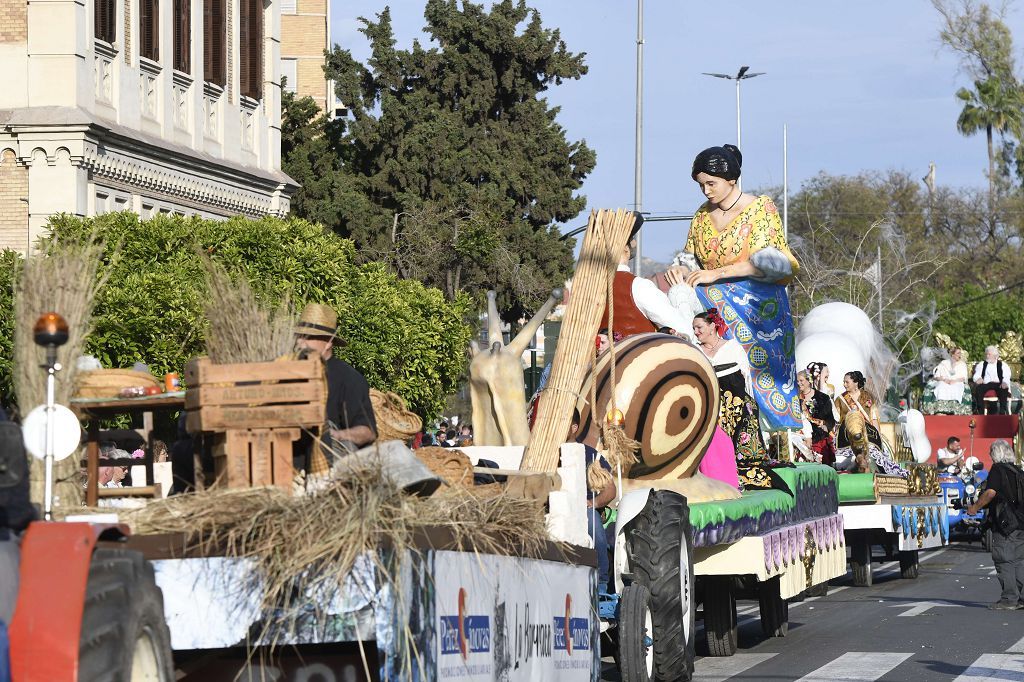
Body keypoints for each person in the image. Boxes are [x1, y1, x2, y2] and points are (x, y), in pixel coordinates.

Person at [670, 144, 801, 430]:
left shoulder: (759, 209)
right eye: (701, 185)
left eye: (711, 183)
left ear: (731, 179)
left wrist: (717, 274)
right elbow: (690, 257)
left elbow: (770, 262)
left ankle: (775, 434)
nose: (706, 191)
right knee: (678, 294)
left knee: (762, 376)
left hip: (756, 304)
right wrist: (682, 268)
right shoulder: (702, 216)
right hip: (712, 297)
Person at [692, 308, 771, 489]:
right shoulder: (696, 350)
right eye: (694, 328)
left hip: (734, 403)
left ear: (712, 326)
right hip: (709, 404)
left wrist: (747, 404)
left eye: (699, 327)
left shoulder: (732, 347)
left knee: (736, 440)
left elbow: (746, 378)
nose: (696, 332)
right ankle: (715, 478)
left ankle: (739, 477)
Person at [294, 304, 376, 467]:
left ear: (329, 341)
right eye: (299, 336)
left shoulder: (349, 379)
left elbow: (368, 431)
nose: (301, 342)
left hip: (327, 467)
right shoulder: (286, 371)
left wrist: (335, 435)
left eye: (308, 336)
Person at [965, 439, 1024, 609]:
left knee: (1004, 559)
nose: (990, 456)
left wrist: (975, 507)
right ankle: (1021, 598)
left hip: (1005, 524)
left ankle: (1009, 599)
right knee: (1020, 561)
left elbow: (990, 493)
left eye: (991, 453)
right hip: (1021, 523)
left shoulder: (998, 470)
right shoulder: (1018, 470)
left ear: (996, 453)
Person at [600, 234, 693, 340]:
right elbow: (681, 328)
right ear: (625, 249)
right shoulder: (639, 286)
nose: (634, 244)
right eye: (631, 241)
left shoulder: (587, 290)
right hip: (636, 354)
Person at [569, 408, 615, 593]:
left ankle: (602, 581)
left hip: (583, 509)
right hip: (554, 508)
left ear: (574, 427)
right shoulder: (546, 455)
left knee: (592, 521)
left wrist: (593, 504)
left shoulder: (590, 455)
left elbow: (610, 489)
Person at [835, 371, 907, 476]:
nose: (844, 384)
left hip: (867, 429)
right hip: (847, 431)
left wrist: (878, 434)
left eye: (847, 382)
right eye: (844, 382)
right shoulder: (840, 399)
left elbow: (873, 417)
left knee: (873, 448)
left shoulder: (867, 397)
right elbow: (837, 418)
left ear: (856, 383)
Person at [796, 369, 837, 465]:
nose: (799, 383)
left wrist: (826, 426)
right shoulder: (795, 398)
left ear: (808, 380)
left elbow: (830, 418)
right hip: (802, 437)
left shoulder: (823, 397)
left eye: (801, 381)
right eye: (797, 381)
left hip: (819, 435)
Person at [972, 346, 1012, 415]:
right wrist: (978, 379)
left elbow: (1007, 376)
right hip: (986, 384)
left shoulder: (1003, 365)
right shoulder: (982, 364)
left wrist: (1005, 382)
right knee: (979, 389)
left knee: (1004, 389)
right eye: (986, 354)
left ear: (995, 356)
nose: (987, 356)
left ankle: (1002, 411)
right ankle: (980, 411)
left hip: (998, 383)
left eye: (989, 354)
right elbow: (976, 375)